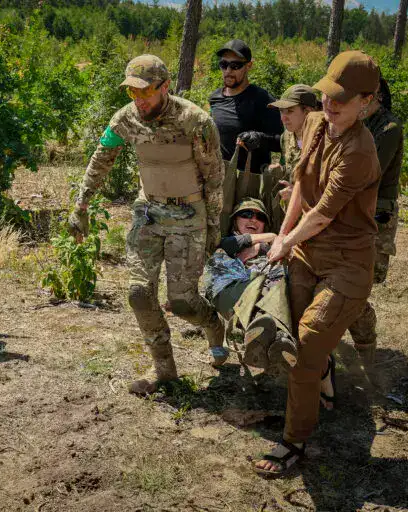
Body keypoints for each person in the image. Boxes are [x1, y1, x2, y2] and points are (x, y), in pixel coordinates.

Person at [253, 51, 381, 477]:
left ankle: (294, 440)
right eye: (327, 94)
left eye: (342, 99)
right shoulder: (315, 124)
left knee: (306, 345)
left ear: (366, 101)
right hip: (308, 252)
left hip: (347, 262)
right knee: (290, 336)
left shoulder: (360, 151)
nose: (330, 104)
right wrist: (283, 238)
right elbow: (302, 188)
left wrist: (285, 242)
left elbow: (323, 212)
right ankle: (321, 377)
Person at [68, 55, 226, 394]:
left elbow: (214, 177)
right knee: (139, 294)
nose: (139, 100)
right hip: (149, 213)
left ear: (165, 86)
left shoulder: (195, 121)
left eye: (145, 92)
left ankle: (214, 325)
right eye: (132, 93)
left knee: (183, 303)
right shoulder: (126, 119)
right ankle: (164, 370)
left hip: (188, 215)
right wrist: (81, 205)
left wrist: (214, 226)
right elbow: (101, 158)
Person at [203, 199, 297, 373]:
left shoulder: (274, 248)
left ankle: (277, 342)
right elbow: (229, 245)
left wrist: (265, 247)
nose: (253, 220)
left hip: (269, 294)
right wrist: (271, 237)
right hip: (232, 294)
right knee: (267, 285)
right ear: (234, 221)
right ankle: (269, 337)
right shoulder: (225, 242)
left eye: (260, 217)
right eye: (246, 214)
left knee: (278, 282)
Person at [348, 77, 404, 365]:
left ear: (375, 97)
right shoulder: (356, 124)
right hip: (351, 213)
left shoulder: (388, 129)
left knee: (358, 288)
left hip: (375, 218)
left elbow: (368, 173)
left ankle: (366, 347)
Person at [237, 84, 321, 230]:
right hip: (291, 216)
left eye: (290, 111)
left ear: (308, 112)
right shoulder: (287, 136)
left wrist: (300, 195)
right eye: (281, 111)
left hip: (317, 220)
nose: (283, 118)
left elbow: (335, 190)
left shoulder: (327, 140)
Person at [209, 40, 283, 172]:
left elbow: (283, 142)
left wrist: (260, 139)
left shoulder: (262, 99)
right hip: (219, 176)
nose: (228, 71)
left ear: (249, 65)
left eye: (235, 66)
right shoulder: (215, 98)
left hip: (250, 180)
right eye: (223, 64)